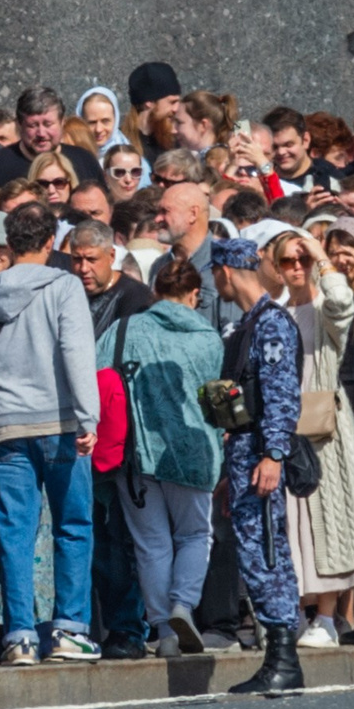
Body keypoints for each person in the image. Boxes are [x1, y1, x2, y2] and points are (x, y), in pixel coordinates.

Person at [0, 202, 100, 663]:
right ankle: (68, 629)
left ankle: (19, 635)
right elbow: (77, 352)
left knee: (14, 533)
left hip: (4, 423)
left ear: (9, 242)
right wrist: (89, 416)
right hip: (59, 421)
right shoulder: (64, 285)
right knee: (72, 526)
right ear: (52, 241)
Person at [267, 227, 354, 649]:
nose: (296, 268)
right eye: (288, 261)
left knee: (328, 523)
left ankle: (326, 618)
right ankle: (290, 612)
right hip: (280, 430)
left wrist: (321, 257)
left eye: (302, 260)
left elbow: (344, 303)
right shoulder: (272, 313)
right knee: (286, 525)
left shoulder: (325, 307)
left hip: (324, 428)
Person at [112, 255, 223, 658]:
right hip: (195, 450)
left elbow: (98, 375)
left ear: (156, 292)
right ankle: (183, 605)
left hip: (138, 453)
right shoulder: (209, 337)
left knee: (151, 543)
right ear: (195, 294)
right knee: (195, 534)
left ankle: (164, 629)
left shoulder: (127, 328)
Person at [211, 240, 306, 695]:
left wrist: (273, 454)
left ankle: (284, 659)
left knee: (266, 550)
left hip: (261, 454)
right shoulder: (247, 325)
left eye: (215, 273)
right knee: (255, 550)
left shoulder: (270, 325)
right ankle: (277, 657)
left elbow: (281, 394)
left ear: (226, 271)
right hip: (246, 453)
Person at [0, 86, 103, 189]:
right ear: (19, 125)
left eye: (48, 124)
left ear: (62, 122)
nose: (41, 133)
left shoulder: (85, 161)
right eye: (33, 125)